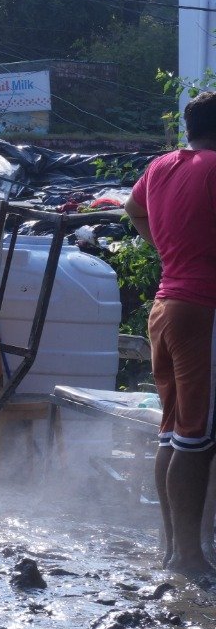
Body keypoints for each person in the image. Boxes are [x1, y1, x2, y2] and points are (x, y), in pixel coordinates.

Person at [126, 90, 216, 578]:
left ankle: (170, 547)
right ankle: (189, 556)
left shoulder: (161, 167)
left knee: (174, 432)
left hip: (165, 307)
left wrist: (168, 251)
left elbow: (133, 210)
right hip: (204, 310)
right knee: (196, 439)